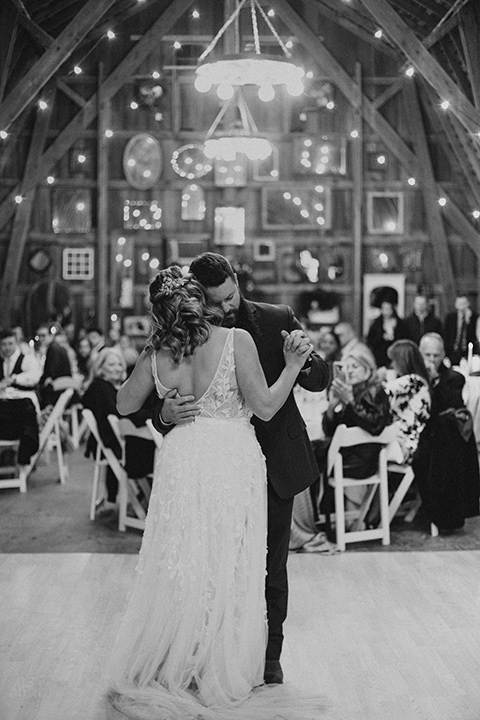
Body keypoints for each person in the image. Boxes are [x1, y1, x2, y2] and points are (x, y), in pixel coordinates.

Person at [108, 267, 323, 719]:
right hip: (230, 460)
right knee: (231, 564)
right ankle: (223, 668)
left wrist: (163, 394)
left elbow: (124, 403)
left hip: (184, 461)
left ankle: (182, 662)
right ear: (198, 300)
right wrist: (289, 367)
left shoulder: (159, 351)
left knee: (185, 562)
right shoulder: (234, 342)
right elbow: (264, 406)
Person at [413, 333, 480, 529]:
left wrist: (435, 382)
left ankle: (441, 512)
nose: (432, 360)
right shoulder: (412, 376)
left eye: (436, 355)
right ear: (419, 354)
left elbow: (453, 406)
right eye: (427, 355)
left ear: (443, 355)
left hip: (441, 440)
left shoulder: (454, 378)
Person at [82, 347, 126, 507]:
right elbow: (113, 416)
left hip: (116, 440)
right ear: (100, 368)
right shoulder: (99, 387)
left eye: (120, 364)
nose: (117, 368)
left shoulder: (113, 387)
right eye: (112, 364)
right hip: (112, 443)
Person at [382, 339, 431, 464]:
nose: (392, 365)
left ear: (402, 361)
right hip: (402, 442)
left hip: (406, 446)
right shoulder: (416, 383)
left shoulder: (414, 381)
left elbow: (382, 391)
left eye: (393, 360)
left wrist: (375, 375)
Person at [36, 323, 72, 408]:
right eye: (39, 336)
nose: (41, 339)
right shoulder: (55, 347)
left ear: (50, 336)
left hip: (58, 389)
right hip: (62, 387)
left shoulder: (53, 348)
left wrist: (40, 382)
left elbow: (51, 372)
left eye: (43, 336)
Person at [367, 299, 409, 370]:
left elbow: (405, 337)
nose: (386, 311)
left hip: (396, 354)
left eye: (388, 308)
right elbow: (370, 339)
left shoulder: (400, 323)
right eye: (384, 308)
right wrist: (382, 337)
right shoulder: (377, 323)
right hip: (381, 355)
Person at [0, 328, 42, 394]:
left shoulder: (27, 359)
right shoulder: (2, 362)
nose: (7, 348)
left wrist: (14, 379)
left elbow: (35, 378)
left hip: (25, 400)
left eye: (10, 344)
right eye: (4, 344)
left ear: (17, 343)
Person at [443, 293, 480, 365]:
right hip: (452, 352)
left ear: (468, 304)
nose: (462, 307)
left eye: (464, 304)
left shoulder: (474, 318)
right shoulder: (450, 317)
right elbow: (446, 335)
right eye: (459, 304)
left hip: (468, 352)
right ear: (455, 305)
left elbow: (475, 337)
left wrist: (468, 322)